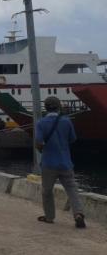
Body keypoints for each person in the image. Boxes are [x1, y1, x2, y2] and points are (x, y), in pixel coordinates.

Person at [35, 96, 85, 228]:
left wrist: (42, 150)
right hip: (66, 162)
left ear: (45, 108)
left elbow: (38, 143)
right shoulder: (66, 121)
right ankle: (78, 214)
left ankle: (49, 217)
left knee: (47, 191)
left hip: (48, 163)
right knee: (72, 189)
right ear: (59, 107)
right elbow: (73, 139)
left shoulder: (41, 123)